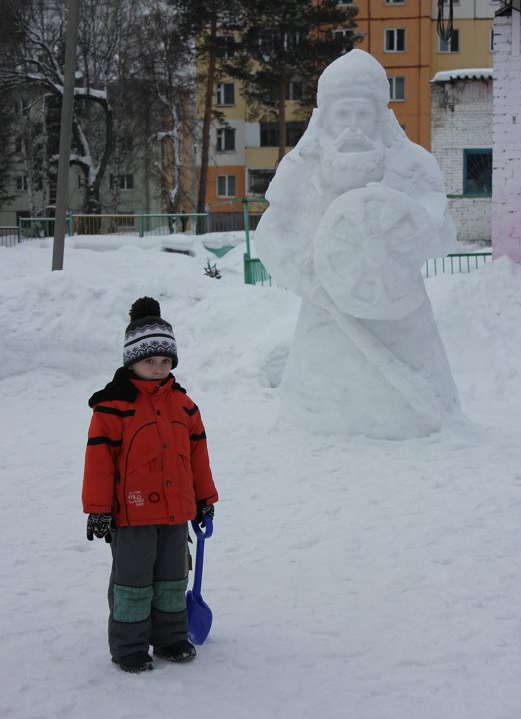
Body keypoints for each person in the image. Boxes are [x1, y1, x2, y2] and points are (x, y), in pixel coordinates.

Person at [254, 49, 460, 439]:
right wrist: (299, 271)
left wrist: (414, 231)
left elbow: (437, 224)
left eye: (362, 114)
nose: (353, 126)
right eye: (342, 115)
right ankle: (318, 421)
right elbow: (271, 230)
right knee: (322, 405)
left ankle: (417, 424)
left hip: (400, 314)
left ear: (380, 117)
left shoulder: (411, 163)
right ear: (325, 118)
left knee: (412, 414)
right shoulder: (301, 168)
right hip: (326, 312)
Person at [82, 296, 218, 673]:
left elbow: (197, 457)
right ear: (132, 361)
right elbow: (98, 461)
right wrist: (98, 509)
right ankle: (129, 648)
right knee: (133, 583)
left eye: (164, 362)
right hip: (132, 514)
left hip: (176, 512)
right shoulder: (112, 407)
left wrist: (205, 499)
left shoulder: (184, 406)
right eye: (149, 362)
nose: (157, 369)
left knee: (173, 578)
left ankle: (172, 639)